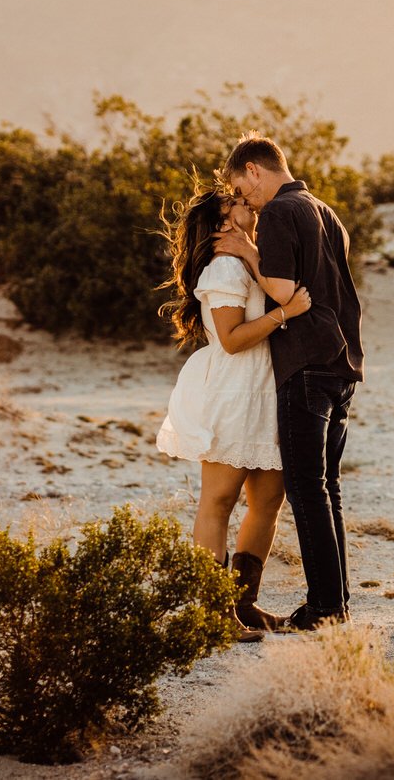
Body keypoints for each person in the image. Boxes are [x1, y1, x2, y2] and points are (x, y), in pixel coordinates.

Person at [215, 134, 364, 631]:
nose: (246, 199)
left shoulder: (279, 211)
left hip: (305, 364)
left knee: (306, 490)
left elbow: (283, 289)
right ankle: (335, 604)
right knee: (328, 488)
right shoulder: (326, 210)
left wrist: (248, 252)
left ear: (254, 170)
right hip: (343, 361)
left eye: (241, 186)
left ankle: (323, 609)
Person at [157, 182, 312, 642]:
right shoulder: (224, 267)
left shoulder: (250, 257)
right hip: (232, 391)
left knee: (268, 502)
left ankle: (244, 604)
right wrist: (286, 313)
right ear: (224, 224)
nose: (248, 203)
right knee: (219, 500)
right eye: (236, 203)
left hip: (266, 390)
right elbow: (231, 338)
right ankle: (211, 615)